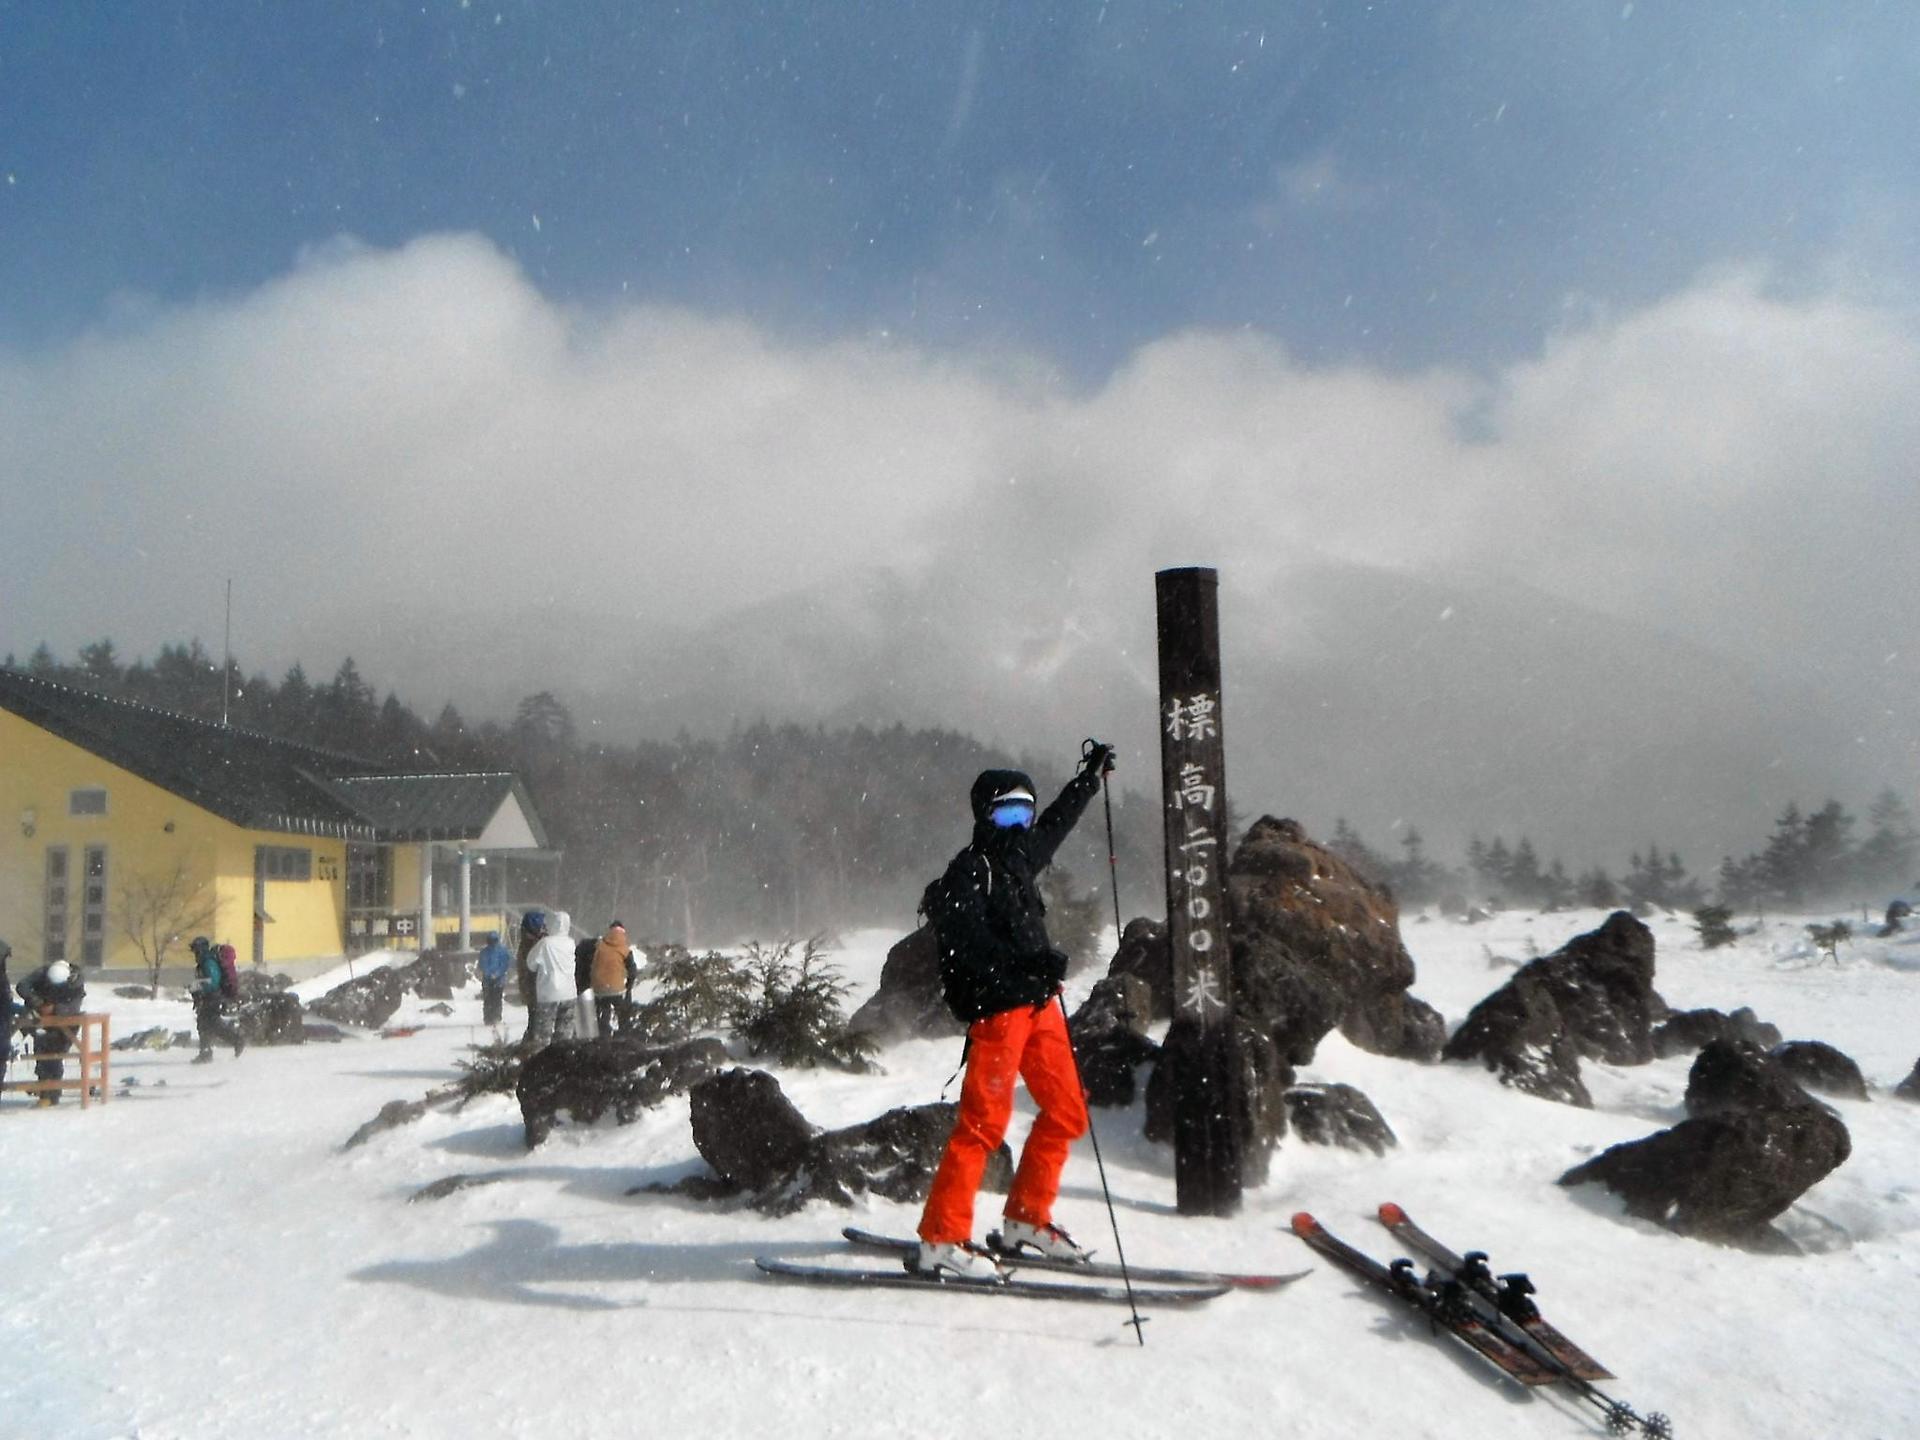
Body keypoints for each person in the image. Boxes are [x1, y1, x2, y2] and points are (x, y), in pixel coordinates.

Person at [914, 741, 1115, 1279]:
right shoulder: (968, 872)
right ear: (985, 814)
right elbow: (968, 944)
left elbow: (1058, 822)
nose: (1019, 821)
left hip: (1039, 1007)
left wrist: (1088, 779)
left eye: (1023, 810)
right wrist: (1027, 967)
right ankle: (942, 1238)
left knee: (1067, 1110)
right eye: (1007, 810)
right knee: (982, 1125)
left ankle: (1025, 1220)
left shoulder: (1023, 857)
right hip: (998, 1010)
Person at [16, 957, 87, 1107]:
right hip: (40, 1022)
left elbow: (73, 1007)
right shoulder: (43, 973)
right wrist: (36, 1002)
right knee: (42, 1054)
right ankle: (45, 1091)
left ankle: (52, 1094)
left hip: (65, 1025)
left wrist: (54, 1009)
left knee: (55, 1055)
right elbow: (22, 986)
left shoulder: (75, 984)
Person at [522, 910, 578, 1048]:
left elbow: (531, 964)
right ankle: (564, 1062)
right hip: (569, 992)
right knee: (565, 1034)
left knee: (543, 1035)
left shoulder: (545, 943)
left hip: (548, 992)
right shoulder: (571, 943)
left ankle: (543, 1063)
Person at [187, 936, 245, 1063]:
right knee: (203, 1024)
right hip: (207, 997)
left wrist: (197, 986)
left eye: (195, 949)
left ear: (201, 949)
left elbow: (213, 981)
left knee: (212, 1024)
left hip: (213, 997)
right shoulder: (203, 962)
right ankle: (206, 1053)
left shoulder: (208, 962)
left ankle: (236, 1040)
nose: (194, 953)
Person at [588, 921, 635, 1037]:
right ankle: (623, 1034)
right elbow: (632, 970)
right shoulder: (625, 949)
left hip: (599, 988)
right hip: (617, 989)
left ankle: (603, 1035)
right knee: (622, 1012)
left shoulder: (599, 946)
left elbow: (592, 963)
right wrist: (629, 986)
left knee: (604, 1010)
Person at [515, 910, 548, 1045]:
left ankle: (530, 1044)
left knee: (534, 1020)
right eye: (542, 925)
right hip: (535, 988)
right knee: (537, 1022)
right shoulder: (534, 944)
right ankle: (532, 1046)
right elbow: (533, 966)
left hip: (531, 988)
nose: (544, 928)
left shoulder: (528, 941)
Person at [476, 931, 512, 1026]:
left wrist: (496, 974)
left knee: (496, 999)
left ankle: (495, 1017)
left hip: (498, 979)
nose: (492, 942)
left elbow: (505, 964)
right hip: (489, 979)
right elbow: (482, 964)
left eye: (493, 940)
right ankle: (489, 1018)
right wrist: (491, 974)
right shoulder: (485, 952)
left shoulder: (502, 951)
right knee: (489, 999)